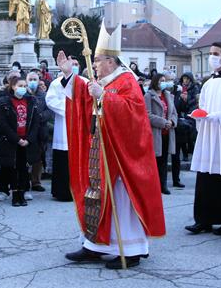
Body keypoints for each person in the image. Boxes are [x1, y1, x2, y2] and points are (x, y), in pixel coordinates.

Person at [57, 21, 166, 270]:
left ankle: (131, 250)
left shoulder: (127, 81)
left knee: (121, 200)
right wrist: (68, 75)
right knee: (96, 195)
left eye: (97, 61)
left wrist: (105, 97)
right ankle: (95, 246)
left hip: (121, 155)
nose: (94, 66)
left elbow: (134, 112)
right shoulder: (104, 81)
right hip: (100, 147)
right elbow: (85, 97)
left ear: (110, 61)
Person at [186, 42, 221, 236]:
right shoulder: (208, 82)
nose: (211, 57)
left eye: (215, 54)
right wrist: (200, 116)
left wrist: (219, 117)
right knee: (205, 177)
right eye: (210, 53)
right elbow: (203, 105)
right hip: (208, 133)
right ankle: (203, 220)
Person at [0, 76, 40, 206]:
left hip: (26, 140)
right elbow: (3, 124)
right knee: (13, 168)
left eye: (24, 86)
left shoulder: (32, 101)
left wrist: (29, 139)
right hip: (12, 141)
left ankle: (22, 192)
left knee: (24, 168)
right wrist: (17, 139)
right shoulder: (5, 102)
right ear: (13, 87)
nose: (23, 88)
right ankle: (15, 194)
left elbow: (35, 122)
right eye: (20, 86)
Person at [46, 59, 78, 201]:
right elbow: (51, 100)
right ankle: (61, 192)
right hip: (63, 127)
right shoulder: (56, 83)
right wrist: (70, 109)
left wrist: (78, 109)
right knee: (62, 161)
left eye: (76, 64)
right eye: (72, 64)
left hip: (79, 126)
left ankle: (78, 190)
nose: (74, 67)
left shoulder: (83, 81)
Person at [145, 73, 177, 195]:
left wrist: (172, 122)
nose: (163, 83)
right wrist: (163, 122)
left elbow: (174, 112)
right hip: (156, 133)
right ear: (155, 82)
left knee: (164, 160)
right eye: (161, 81)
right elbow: (147, 115)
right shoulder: (149, 96)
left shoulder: (168, 95)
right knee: (155, 161)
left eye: (165, 80)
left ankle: (163, 185)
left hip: (167, 133)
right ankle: (153, 185)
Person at [26, 70, 51, 195]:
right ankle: (24, 181)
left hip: (40, 130)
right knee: (24, 157)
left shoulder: (44, 95)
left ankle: (36, 181)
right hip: (26, 130)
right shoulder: (23, 94)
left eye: (34, 79)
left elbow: (49, 111)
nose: (32, 82)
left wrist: (40, 117)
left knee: (39, 157)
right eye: (30, 79)